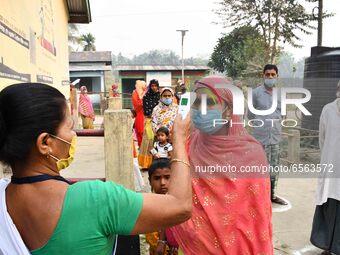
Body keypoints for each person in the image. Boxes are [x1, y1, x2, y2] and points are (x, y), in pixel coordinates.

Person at [0, 83, 191, 254]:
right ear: (45, 143)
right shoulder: (95, 199)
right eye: (69, 128)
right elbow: (180, 207)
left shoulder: (3, 197)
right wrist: (180, 140)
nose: (73, 135)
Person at [171, 76, 273, 255]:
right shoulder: (188, 145)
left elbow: (258, 222)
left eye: (209, 102)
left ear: (229, 110)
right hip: (192, 248)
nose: (199, 109)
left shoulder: (252, 156)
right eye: (196, 102)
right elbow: (175, 200)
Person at [247, 64, 287, 205]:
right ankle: (258, 197)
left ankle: (272, 195)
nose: (270, 77)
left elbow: (283, 114)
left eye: (273, 75)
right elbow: (250, 114)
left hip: (275, 137)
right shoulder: (256, 93)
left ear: (277, 76)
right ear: (263, 75)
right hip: (260, 138)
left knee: (274, 168)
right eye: (267, 74)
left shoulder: (281, 94)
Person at [310, 84, 340, 254]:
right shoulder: (328, 110)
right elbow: (322, 138)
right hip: (330, 168)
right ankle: (327, 245)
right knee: (329, 205)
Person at [146, 159, 178, 255]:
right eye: (157, 178)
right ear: (150, 181)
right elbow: (150, 236)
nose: (162, 183)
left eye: (167, 177)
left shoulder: (181, 203)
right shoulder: (149, 206)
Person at [139, 79, 160, 169]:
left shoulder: (160, 96)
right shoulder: (146, 96)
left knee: (158, 141)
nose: (154, 87)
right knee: (148, 141)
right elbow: (146, 110)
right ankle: (147, 164)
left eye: (155, 86)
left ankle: (157, 162)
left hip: (159, 122)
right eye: (152, 86)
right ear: (150, 87)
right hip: (149, 121)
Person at [132, 80, 147, 147]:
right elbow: (137, 105)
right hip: (140, 115)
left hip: (148, 115)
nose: (145, 86)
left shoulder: (146, 92)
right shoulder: (135, 93)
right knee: (141, 132)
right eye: (144, 85)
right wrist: (142, 99)